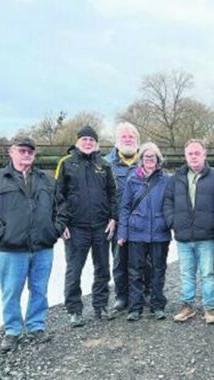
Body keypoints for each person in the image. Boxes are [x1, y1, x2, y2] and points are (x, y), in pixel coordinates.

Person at [0, 136, 66, 352]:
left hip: (43, 246)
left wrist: (54, 230)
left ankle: (36, 326)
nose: (26, 154)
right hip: (11, 248)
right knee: (11, 291)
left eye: (30, 151)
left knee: (39, 289)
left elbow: (62, 208)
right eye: (22, 151)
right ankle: (12, 331)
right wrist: (1, 233)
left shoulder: (46, 180)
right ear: (11, 152)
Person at [55, 126, 117, 327]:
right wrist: (62, 222)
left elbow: (112, 193)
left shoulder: (104, 165)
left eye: (92, 140)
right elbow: (57, 195)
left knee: (103, 269)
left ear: (96, 143)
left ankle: (101, 306)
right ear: (78, 142)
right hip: (75, 228)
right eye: (85, 139)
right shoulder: (66, 163)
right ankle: (75, 310)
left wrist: (113, 218)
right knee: (74, 270)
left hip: (101, 226)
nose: (88, 143)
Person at [163, 139, 214, 324]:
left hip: (206, 236)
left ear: (204, 155)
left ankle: (209, 308)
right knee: (186, 273)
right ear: (185, 156)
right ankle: (188, 306)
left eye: (197, 153)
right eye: (190, 154)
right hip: (183, 236)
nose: (194, 157)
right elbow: (167, 201)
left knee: (207, 274)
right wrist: (173, 221)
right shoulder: (176, 178)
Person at [117, 142, 172, 321]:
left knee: (158, 270)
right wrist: (122, 233)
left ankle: (158, 305)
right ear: (141, 159)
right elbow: (125, 207)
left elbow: (172, 204)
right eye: (146, 156)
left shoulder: (166, 180)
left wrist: (169, 223)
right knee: (135, 271)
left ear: (158, 159)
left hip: (159, 232)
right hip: (136, 232)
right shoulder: (132, 179)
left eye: (152, 156)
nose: (149, 159)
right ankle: (135, 307)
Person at [106, 121, 146, 313]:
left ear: (137, 141)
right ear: (116, 141)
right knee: (119, 259)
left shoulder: (147, 162)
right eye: (124, 136)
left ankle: (145, 293)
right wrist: (110, 217)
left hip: (142, 220)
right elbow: (103, 194)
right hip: (118, 220)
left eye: (131, 137)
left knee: (144, 260)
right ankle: (121, 295)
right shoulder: (106, 164)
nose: (128, 139)